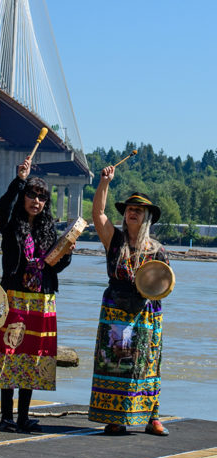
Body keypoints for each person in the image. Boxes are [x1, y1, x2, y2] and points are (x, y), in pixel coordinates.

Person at [0, 157, 72, 433]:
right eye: (32, 194)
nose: (36, 200)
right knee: (9, 352)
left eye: (41, 197)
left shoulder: (47, 229)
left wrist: (66, 252)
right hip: (13, 297)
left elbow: (57, 266)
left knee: (34, 357)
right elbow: (0, 210)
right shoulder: (10, 224)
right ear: (24, 197)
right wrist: (19, 181)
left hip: (42, 300)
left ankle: (23, 417)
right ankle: (6, 417)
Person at [88, 167, 169, 435]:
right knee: (117, 361)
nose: (132, 212)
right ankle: (115, 417)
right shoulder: (115, 240)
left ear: (147, 217)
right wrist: (104, 182)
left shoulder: (157, 250)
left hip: (147, 311)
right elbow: (98, 214)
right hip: (116, 307)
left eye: (139, 210)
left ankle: (152, 417)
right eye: (129, 209)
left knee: (147, 362)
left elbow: (165, 284)